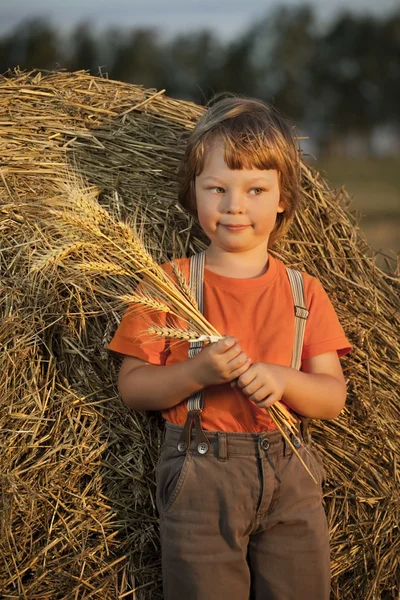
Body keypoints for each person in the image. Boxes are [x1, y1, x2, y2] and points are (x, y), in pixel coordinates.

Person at [108, 96, 351, 600]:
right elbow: (132, 387)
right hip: (200, 477)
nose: (234, 205)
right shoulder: (168, 285)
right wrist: (196, 373)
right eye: (217, 188)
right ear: (193, 193)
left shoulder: (304, 292)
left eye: (255, 189)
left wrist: (284, 380)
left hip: (292, 475)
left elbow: (332, 397)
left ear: (283, 199)